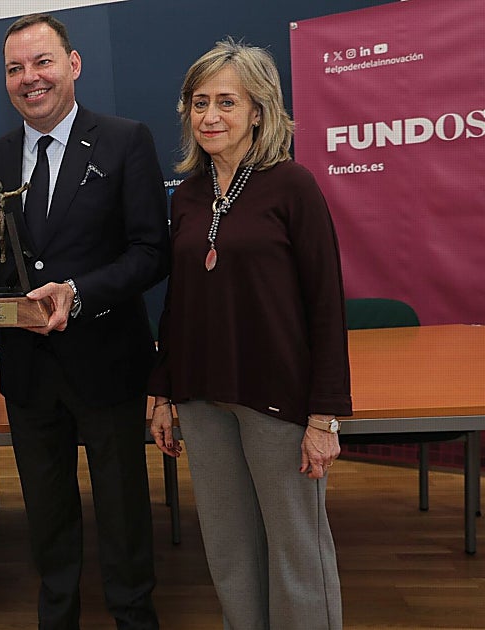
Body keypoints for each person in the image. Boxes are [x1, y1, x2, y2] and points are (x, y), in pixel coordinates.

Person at [0, 14, 170, 630]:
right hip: (29, 371)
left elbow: (150, 252)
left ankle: (134, 615)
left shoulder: (125, 140)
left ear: (73, 65)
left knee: (122, 508)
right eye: (15, 68)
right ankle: (57, 617)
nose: (30, 79)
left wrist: (78, 293)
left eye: (42, 63)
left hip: (107, 360)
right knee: (48, 513)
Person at [147, 39, 350, 630]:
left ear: (259, 111)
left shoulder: (294, 186)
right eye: (199, 102)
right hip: (202, 399)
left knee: (297, 552)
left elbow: (326, 308)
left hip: (277, 398)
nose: (210, 116)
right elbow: (177, 302)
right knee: (230, 550)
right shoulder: (186, 195)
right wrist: (162, 390)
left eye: (227, 103)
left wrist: (324, 417)